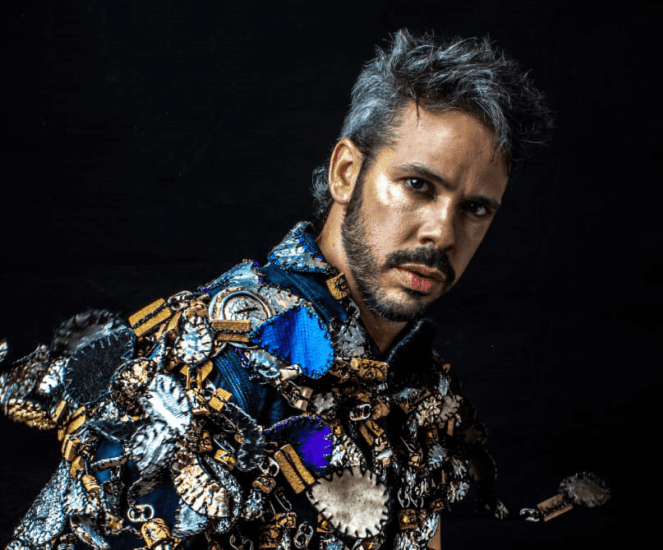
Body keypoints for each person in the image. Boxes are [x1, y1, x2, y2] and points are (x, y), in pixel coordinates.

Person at [0, 29, 553, 550]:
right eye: (417, 185)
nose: (443, 233)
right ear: (346, 172)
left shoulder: (423, 386)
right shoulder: (219, 359)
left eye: (475, 208)